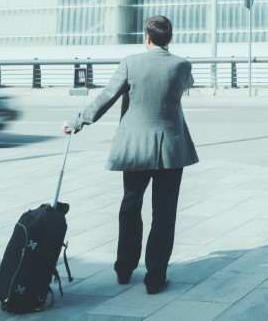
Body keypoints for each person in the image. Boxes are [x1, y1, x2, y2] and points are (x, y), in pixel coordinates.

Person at [62, 15, 198, 294]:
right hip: (172, 150)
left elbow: (105, 98)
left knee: (130, 206)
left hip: (135, 148)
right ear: (169, 38)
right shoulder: (183, 65)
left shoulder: (130, 63)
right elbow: (185, 85)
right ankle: (156, 278)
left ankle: (124, 269)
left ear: (146, 37)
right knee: (164, 213)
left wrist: (77, 122)